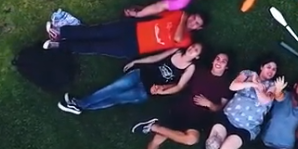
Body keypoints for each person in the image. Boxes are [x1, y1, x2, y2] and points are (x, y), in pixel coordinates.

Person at [129, 52, 232, 149]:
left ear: (226, 66)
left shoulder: (226, 85)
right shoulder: (200, 71)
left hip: (197, 118)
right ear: (213, 61)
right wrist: (163, 87)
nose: (219, 62)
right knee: (158, 138)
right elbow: (181, 84)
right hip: (181, 109)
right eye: (217, 58)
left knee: (191, 139)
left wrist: (209, 104)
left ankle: (152, 126)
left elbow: (222, 108)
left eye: (223, 61)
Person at [57, 44, 202, 115]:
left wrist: (160, 92)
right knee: (112, 89)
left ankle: (80, 106)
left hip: (147, 91)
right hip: (140, 74)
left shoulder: (190, 67)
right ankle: (79, 104)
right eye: (193, 46)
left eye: (196, 50)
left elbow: (179, 86)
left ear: (197, 56)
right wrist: (136, 62)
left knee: (116, 99)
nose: (192, 49)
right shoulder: (176, 51)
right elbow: (156, 58)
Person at [200, 56, 286, 149]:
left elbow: (265, 100)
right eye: (268, 67)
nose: (271, 71)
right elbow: (233, 86)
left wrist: (258, 87)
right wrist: (252, 83)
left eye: (274, 69)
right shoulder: (248, 74)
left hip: (246, 127)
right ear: (262, 67)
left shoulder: (272, 85)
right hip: (228, 116)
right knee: (212, 144)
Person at [43, 9, 206, 58]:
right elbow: (157, 12)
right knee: (97, 31)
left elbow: (177, 37)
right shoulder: (178, 14)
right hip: (133, 28)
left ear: (198, 28)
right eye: (194, 18)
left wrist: (184, 19)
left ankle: (60, 46)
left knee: (96, 47)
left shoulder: (187, 40)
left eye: (197, 23)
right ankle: (61, 32)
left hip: (135, 47)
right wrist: (137, 12)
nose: (193, 21)